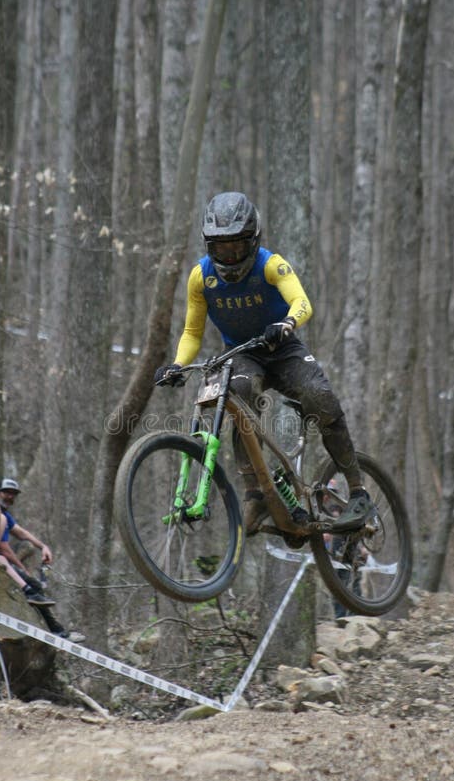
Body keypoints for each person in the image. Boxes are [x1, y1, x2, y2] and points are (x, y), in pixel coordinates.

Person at [154, 191, 374, 535]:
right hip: (242, 353)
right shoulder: (201, 277)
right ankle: (256, 494)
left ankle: (358, 491)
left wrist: (286, 324)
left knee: (319, 396)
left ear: (254, 240)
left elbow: (302, 302)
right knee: (238, 396)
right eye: (220, 247)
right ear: (209, 245)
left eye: (237, 246)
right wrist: (178, 364)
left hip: (282, 348)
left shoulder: (271, 264)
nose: (229, 255)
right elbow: (192, 332)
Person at [0, 478, 78, 638]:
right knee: (33, 585)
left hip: (0, 556)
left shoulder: (6, 515)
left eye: (13, 494)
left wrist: (43, 546)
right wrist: (22, 568)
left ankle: (54, 628)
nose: (10, 497)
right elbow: (2, 547)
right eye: (6, 492)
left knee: (35, 586)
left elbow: (22, 533)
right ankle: (54, 629)